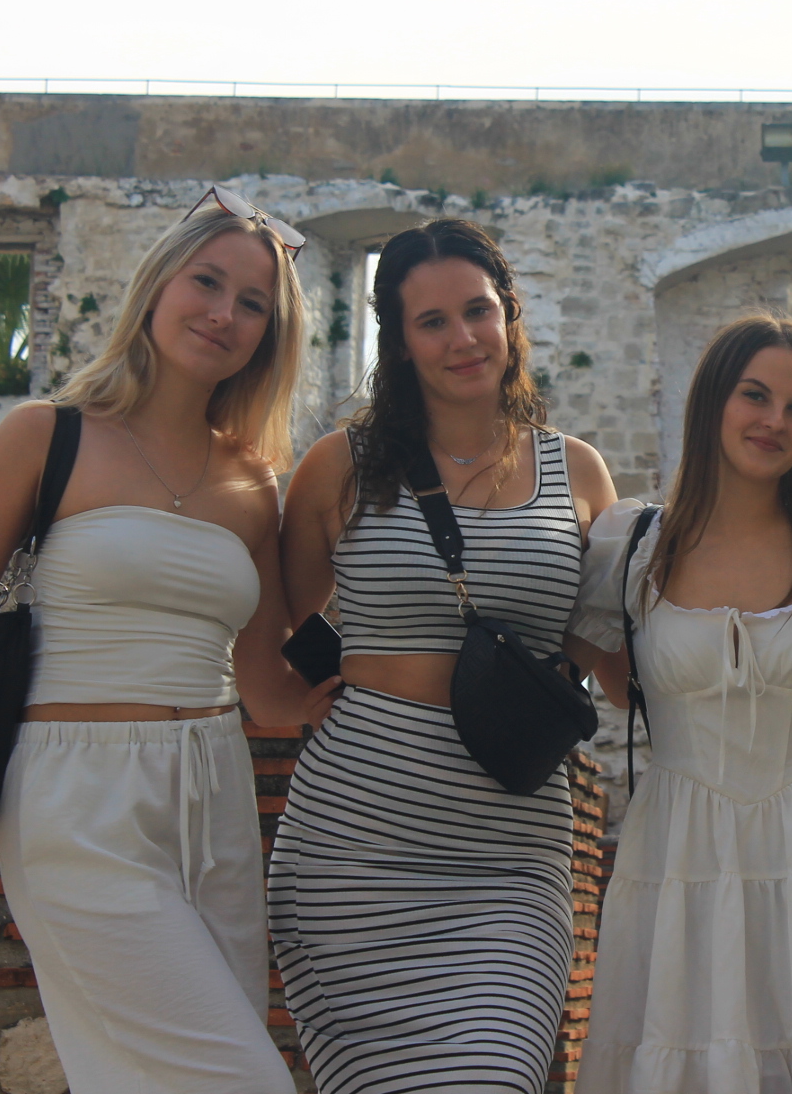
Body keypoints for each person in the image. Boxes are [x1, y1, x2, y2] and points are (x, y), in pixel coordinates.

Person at [0, 188, 337, 1091]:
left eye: (252, 304)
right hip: (74, 798)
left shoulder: (252, 482)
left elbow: (267, 688)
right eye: (207, 282)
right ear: (157, 285)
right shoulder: (44, 437)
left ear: (269, 337)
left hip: (214, 795)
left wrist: (387, 638)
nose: (224, 314)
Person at [268, 218, 617, 1094]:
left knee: (493, 1072)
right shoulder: (339, 468)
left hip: (512, 855)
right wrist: (293, 697)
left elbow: (595, 644)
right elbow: (273, 619)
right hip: (352, 847)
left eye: (478, 310)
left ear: (509, 317)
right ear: (399, 342)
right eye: (432, 321)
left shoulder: (577, 474)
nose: (463, 338)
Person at [571, 313, 792, 1094]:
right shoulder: (631, 548)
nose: (775, 422)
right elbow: (617, 686)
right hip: (678, 853)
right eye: (755, 395)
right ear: (712, 401)